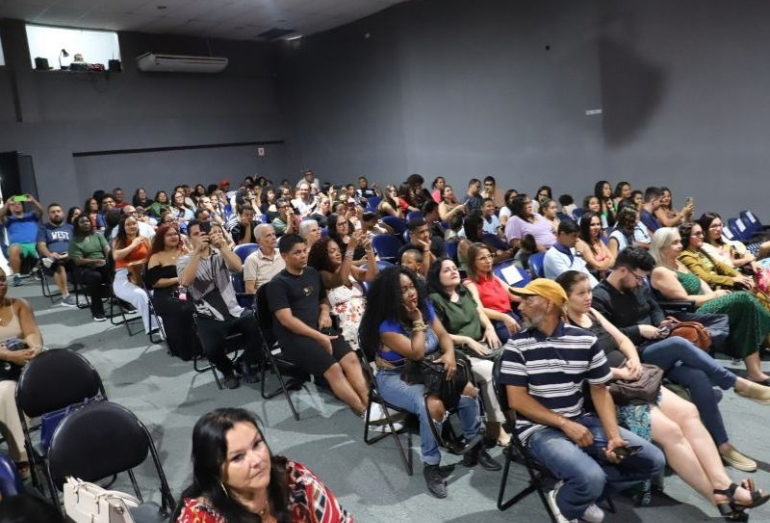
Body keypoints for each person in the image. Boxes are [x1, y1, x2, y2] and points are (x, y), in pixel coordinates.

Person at [558, 270, 770, 518]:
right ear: (565, 298)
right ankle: (717, 496)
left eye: (589, 291)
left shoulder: (592, 314)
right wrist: (620, 372)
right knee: (671, 431)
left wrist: (633, 359)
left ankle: (724, 485)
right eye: (581, 293)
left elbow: (623, 340)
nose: (588, 297)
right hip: (611, 391)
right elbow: (581, 369)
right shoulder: (564, 327)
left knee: (689, 412)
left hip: (636, 380)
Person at [496, 278, 665, 523]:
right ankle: (572, 501)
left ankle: (578, 495)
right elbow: (517, 401)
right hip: (537, 429)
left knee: (653, 461)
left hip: (580, 420)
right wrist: (565, 424)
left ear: (548, 304)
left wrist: (613, 436)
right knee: (590, 477)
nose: (519, 307)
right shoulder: (516, 346)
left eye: (527, 300)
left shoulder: (585, 340)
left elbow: (600, 390)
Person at [592, 247, 770, 472]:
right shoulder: (599, 297)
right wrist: (639, 330)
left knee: (697, 376)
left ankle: (723, 444)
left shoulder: (637, 285)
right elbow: (606, 338)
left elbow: (654, 308)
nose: (640, 283)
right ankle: (737, 383)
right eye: (638, 278)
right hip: (632, 357)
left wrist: (661, 323)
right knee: (678, 344)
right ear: (622, 271)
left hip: (657, 346)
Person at [360, 266, 498, 499]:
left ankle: (474, 446)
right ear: (391, 296)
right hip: (395, 377)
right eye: (403, 290)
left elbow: (443, 336)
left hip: (428, 369)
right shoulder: (387, 325)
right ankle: (431, 464)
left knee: (469, 391)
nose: (412, 293)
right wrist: (417, 321)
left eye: (412, 286)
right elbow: (416, 352)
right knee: (432, 406)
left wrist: (450, 356)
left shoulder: (424, 306)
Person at [173, 408, 352, 523]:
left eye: (257, 444)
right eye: (238, 457)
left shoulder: (294, 479)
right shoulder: (200, 518)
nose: (257, 460)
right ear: (215, 471)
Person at [649, 227, 770, 385]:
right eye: (675, 243)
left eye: (679, 241)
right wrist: (715, 296)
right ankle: (764, 331)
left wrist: (717, 294)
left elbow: (702, 284)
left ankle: (754, 372)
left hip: (705, 304)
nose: (680, 245)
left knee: (747, 309)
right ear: (662, 246)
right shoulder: (661, 271)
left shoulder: (678, 262)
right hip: (690, 313)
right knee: (742, 298)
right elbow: (684, 299)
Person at [266, 234, 369, 416]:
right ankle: (364, 412)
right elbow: (286, 320)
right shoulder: (277, 284)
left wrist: (324, 312)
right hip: (294, 338)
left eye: (304, 251)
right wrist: (319, 337)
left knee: (351, 358)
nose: (303, 255)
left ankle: (371, 406)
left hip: (319, 329)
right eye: (297, 253)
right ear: (284, 256)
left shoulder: (312, 273)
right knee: (334, 369)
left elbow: (323, 299)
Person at [427, 258, 510, 446]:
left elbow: (479, 312)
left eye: (454, 268)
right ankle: (495, 427)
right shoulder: (434, 300)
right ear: (437, 277)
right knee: (489, 372)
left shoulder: (464, 291)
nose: (453, 271)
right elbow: (439, 334)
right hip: (459, 353)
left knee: (513, 361)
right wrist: (467, 340)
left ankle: (514, 414)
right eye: (446, 270)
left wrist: (489, 327)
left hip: (482, 346)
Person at [178, 220, 262, 389]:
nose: (201, 237)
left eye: (203, 233)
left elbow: (238, 268)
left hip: (233, 309)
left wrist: (223, 247)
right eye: (196, 234)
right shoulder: (183, 260)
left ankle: (244, 361)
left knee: (262, 329)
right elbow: (185, 282)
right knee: (211, 350)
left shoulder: (220, 253)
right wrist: (197, 253)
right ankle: (227, 370)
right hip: (208, 315)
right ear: (189, 239)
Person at [0, 267, 43, 477]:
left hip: (22, 366)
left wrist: (35, 348)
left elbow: (31, 332)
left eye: (2, 279)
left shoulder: (19, 305)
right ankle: (21, 457)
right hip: (2, 374)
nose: (1, 284)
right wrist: (8, 355)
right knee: (7, 391)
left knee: (57, 371)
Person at [308, 232, 377, 352]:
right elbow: (341, 279)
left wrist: (369, 250)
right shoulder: (322, 275)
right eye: (332, 251)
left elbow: (372, 275)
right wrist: (350, 248)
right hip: (345, 322)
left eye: (338, 250)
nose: (338, 253)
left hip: (365, 313)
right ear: (323, 256)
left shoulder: (349, 268)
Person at [678, 222, 770, 310]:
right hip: (714, 290)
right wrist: (732, 280)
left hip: (723, 283)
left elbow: (720, 265)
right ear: (687, 237)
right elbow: (705, 277)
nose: (701, 236)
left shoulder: (699, 250)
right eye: (697, 234)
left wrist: (738, 275)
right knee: (755, 295)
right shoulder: (686, 256)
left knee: (756, 289)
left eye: (702, 233)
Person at [147, 223, 200, 361]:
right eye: (169, 235)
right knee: (183, 307)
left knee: (203, 301)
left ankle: (208, 343)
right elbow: (155, 282)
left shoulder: (185, 251)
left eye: (175, 234)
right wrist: (179, 279)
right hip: (166, 293)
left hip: (185, 288)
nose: (173, 237)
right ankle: (188, 349)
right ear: (161, 238)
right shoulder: (156, 257)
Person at [463, 243, 521, 343]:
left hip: (512, 316)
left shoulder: (493, 277)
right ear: (473, 263)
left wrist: (535, 293)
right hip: (498, 322)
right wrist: (503, 317)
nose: (488, 260)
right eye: (482, 258)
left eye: (489, 256)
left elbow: (513, 294)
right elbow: (479, 309)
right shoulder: (470, 283)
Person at [112, 215, 157, 334]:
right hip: (123, 276)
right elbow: (116, 256)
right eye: (128, 224)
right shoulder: (118, 240)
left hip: (144, 274)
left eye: (134, 223)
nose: (132, 226)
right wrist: (133, 244)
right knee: (141, 295)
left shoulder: (144, 239)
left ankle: (165, 323)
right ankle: (153, 327)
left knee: (157, 294)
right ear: (123, 227)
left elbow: (152, 257)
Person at [68, 215, 111, 321]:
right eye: (82, 222)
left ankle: (123, 302)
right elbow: (78, 261)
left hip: (102, 264)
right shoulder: (74, 241)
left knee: (115, 272)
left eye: (87, 221)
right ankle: (98, 312)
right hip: (85, 269)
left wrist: (108, 261)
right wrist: (95, 261)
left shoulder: (98, 236)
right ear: (77, 225)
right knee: (95, 277)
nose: (86, 223)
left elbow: (108, 251)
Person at [36, 203, 76, 307]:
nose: (56, 214)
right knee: (58, 264)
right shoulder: (43, 228)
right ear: (48, 215)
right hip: (52, 260)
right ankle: (66, 296)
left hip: (70, 257)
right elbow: (41, 246)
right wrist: (50, 254)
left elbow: (77, 243)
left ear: (63, 213)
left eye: (58, 211)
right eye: (53, 212)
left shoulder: (70, 227)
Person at [0, 195, 43, 286]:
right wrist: (7, 203)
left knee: (44, 245)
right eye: (14, 204)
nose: (17, 205)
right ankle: (16, 276)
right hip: (19, 246)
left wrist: (33, 200)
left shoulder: (31, 216)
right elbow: (0, 215)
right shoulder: (9, 219)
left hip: (34, 244)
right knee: (14, 247)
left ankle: (35, 270)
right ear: (10, 208)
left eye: (19, 204)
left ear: (22, 206)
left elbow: (41, 211)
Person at [543, 220, 598, 287]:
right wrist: (578, 253)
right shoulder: (552, 255)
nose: (577, 240)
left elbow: (584, 272)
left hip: (584, 288)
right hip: (567, 290)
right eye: (574, 236)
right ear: (562, 235)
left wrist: (597, 287)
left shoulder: (571, 249)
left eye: (578, 236)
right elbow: (571, 279)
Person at [243, 225, 285, 296]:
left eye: (273, 234)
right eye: (268, 235)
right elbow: (249, 290)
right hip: (267, 297)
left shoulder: (283, 253)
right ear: (258, 240)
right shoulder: (252, 260)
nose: (274, 237)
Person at [576, 211, 614, 276]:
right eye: (592, 225)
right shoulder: (581, 243)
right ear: (585, 226)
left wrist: (604, 263)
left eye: (598, 224)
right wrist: (607, 260)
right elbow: (598, 267)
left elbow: (612, 260)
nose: (596, 227)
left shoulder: (597, 239)